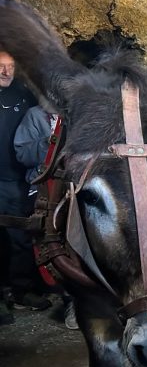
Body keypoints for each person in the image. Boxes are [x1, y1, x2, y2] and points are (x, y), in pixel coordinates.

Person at [15, 104, 77, 328]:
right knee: (56, 242)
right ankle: (71, 301)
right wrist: (52, 141)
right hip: (46, 188)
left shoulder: (79, 111)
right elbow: (22, 153)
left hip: (75, 186)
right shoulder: (35, 116)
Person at [0, 51, 50, 324]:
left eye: (10, 67)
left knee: (21, 237)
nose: (6, 72)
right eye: (1, 67)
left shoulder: (22, 94)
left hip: (16, 179)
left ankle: (21, 290)